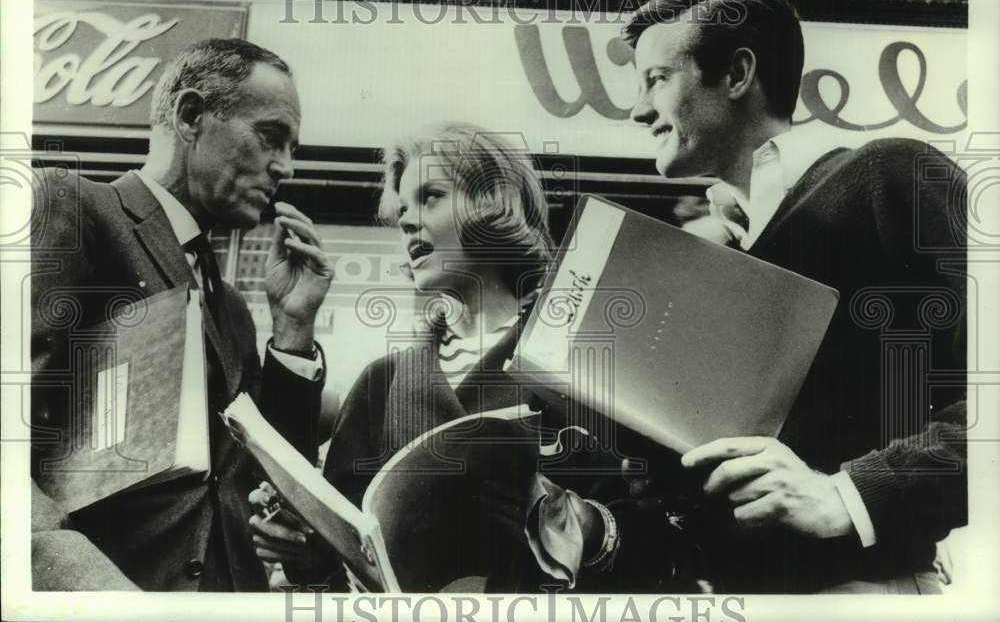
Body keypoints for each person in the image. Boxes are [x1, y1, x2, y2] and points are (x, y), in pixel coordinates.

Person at [621, 0, 967, 593]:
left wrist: (847, 495)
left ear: (736, 74)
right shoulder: (721, 249)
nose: (637, 108)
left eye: (655, 79)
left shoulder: (888, 175)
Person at [248, 123, 691, 592]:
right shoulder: (382, 382)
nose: (406, 220)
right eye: (402, 208)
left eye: (431, 196)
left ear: (495, 202)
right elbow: (331, 567)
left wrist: (588, 526)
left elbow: (666, 546)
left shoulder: (587, 358)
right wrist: (300, 550)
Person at [30, 38, 333, 591]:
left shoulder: (234, 310)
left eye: (291, 148)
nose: (284, 167)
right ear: (191, 116)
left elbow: (270, 485)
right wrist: (87, 586)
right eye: (270, 137)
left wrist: (292, 329)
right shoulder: (76, 210)